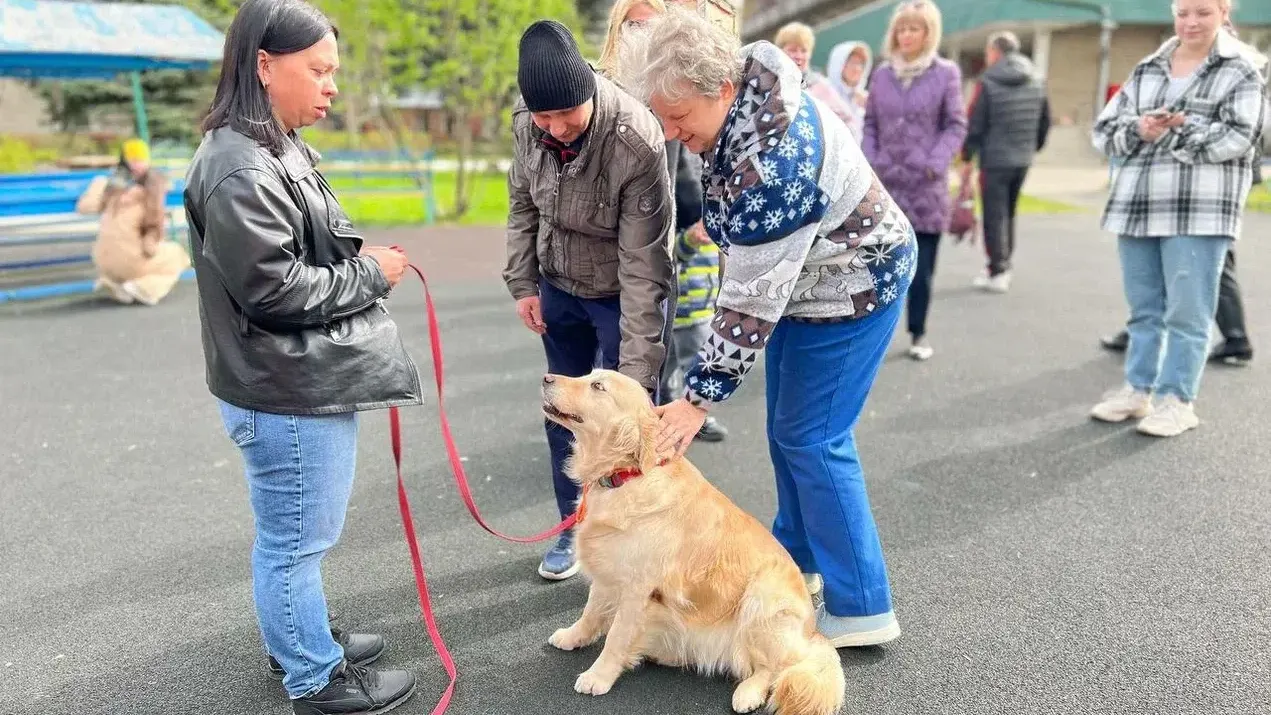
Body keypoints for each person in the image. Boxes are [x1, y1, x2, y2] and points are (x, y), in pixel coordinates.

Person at [619, 6, 916, 647]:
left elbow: (750, 301)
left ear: (719, 89)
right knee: (788, 431)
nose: (672, 134)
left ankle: (863, 605)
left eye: (679, 117)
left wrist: (697, 400)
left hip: (855, 284)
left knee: (814, 438)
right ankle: (798, 560)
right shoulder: (746, 87)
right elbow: (750, 272)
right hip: (810, 282)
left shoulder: (773, 172)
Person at [183, 1, 422, 712]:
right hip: (283, 387)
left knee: (297, 538)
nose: (331, 86)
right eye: (318, 70)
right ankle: (313, 676)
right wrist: (373, 272)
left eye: (333, 72)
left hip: (290, 377)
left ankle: (300, 635)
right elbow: (275, 291)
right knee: (295, 543)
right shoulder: (238, 165)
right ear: (263, 64)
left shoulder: (270, 144)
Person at [503, 19, 675, 581]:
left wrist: (638, 377)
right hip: (558, 286)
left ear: (588, 91)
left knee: (634, 416)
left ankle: (648, 534)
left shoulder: (635, 138)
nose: (555, 128)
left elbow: (645, 266)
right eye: (543, 117)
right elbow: (522, 205)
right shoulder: (528, 125)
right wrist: (523, 282)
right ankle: (572, 528)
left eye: (565, 114)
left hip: (621, 293)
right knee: (564, 410)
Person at [1089, 0, 1266, 438]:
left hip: (1200, 210)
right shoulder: (1149, 67)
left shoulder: (1242, 68)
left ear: (1224, 12)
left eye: (1203, 12)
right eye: (1183, 12)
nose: (1190, 22)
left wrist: (1177, 130)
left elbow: (1241, 138)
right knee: (1143, 309)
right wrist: (1140, 130)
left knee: (1189, 313)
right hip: (1137, 205)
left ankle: (1177, 400)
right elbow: (1104, 133)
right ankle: (1139, 390)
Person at [863, 0, 968, 361]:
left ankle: (918, 332)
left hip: (926, 187)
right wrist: (871, 160)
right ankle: (872, 338)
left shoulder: (946, 73)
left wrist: (934, 162)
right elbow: (871, 123)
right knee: (878, 266)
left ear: (928, 34)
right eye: (901, 28)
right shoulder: (881, 75)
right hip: (885, 185)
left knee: (921, 272)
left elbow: (955, 124)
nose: (906, 35)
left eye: (914, 28)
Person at [960, 31, 1051, 294]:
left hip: (994, 159)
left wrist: (967, 156)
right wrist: (1033, 148)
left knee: (993, 215)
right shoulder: (1036, 78)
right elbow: (1045, 120)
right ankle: (1004, 264)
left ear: (994, 52)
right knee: (1008, 212)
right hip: (1022, 158)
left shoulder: (987, 81)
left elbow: (976, 123)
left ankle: (996, 269)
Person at [658, 142, 728, 442]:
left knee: (686, 362)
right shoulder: (683, 232)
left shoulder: (712, 231)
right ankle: (677, 409)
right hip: (682, 311)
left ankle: (687, 412)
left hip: (702, 312)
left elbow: (719, 267)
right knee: (676, 364)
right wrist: (689, 238)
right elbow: (672, 256)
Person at [75, 138, 190, 306]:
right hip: (130, 259)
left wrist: (100, 189)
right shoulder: (149, 192)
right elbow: (152, 229)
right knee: (179, 255)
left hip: (101, 258)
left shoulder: (108, 187)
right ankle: (141, 288)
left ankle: (115, 282)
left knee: (131, 249)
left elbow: (85, 207)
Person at [774, 22, 857, 130]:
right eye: (793, 50)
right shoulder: (770, 83)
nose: (799, 56)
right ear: (780, 51)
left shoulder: (820, 85)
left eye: (804, 51)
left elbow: (849, 122)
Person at [825, 40, 873, 143]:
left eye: (861, 64)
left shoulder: (867, 99)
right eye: (852, 63)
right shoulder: (825, 95)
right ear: (839, 64)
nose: (857, 68)